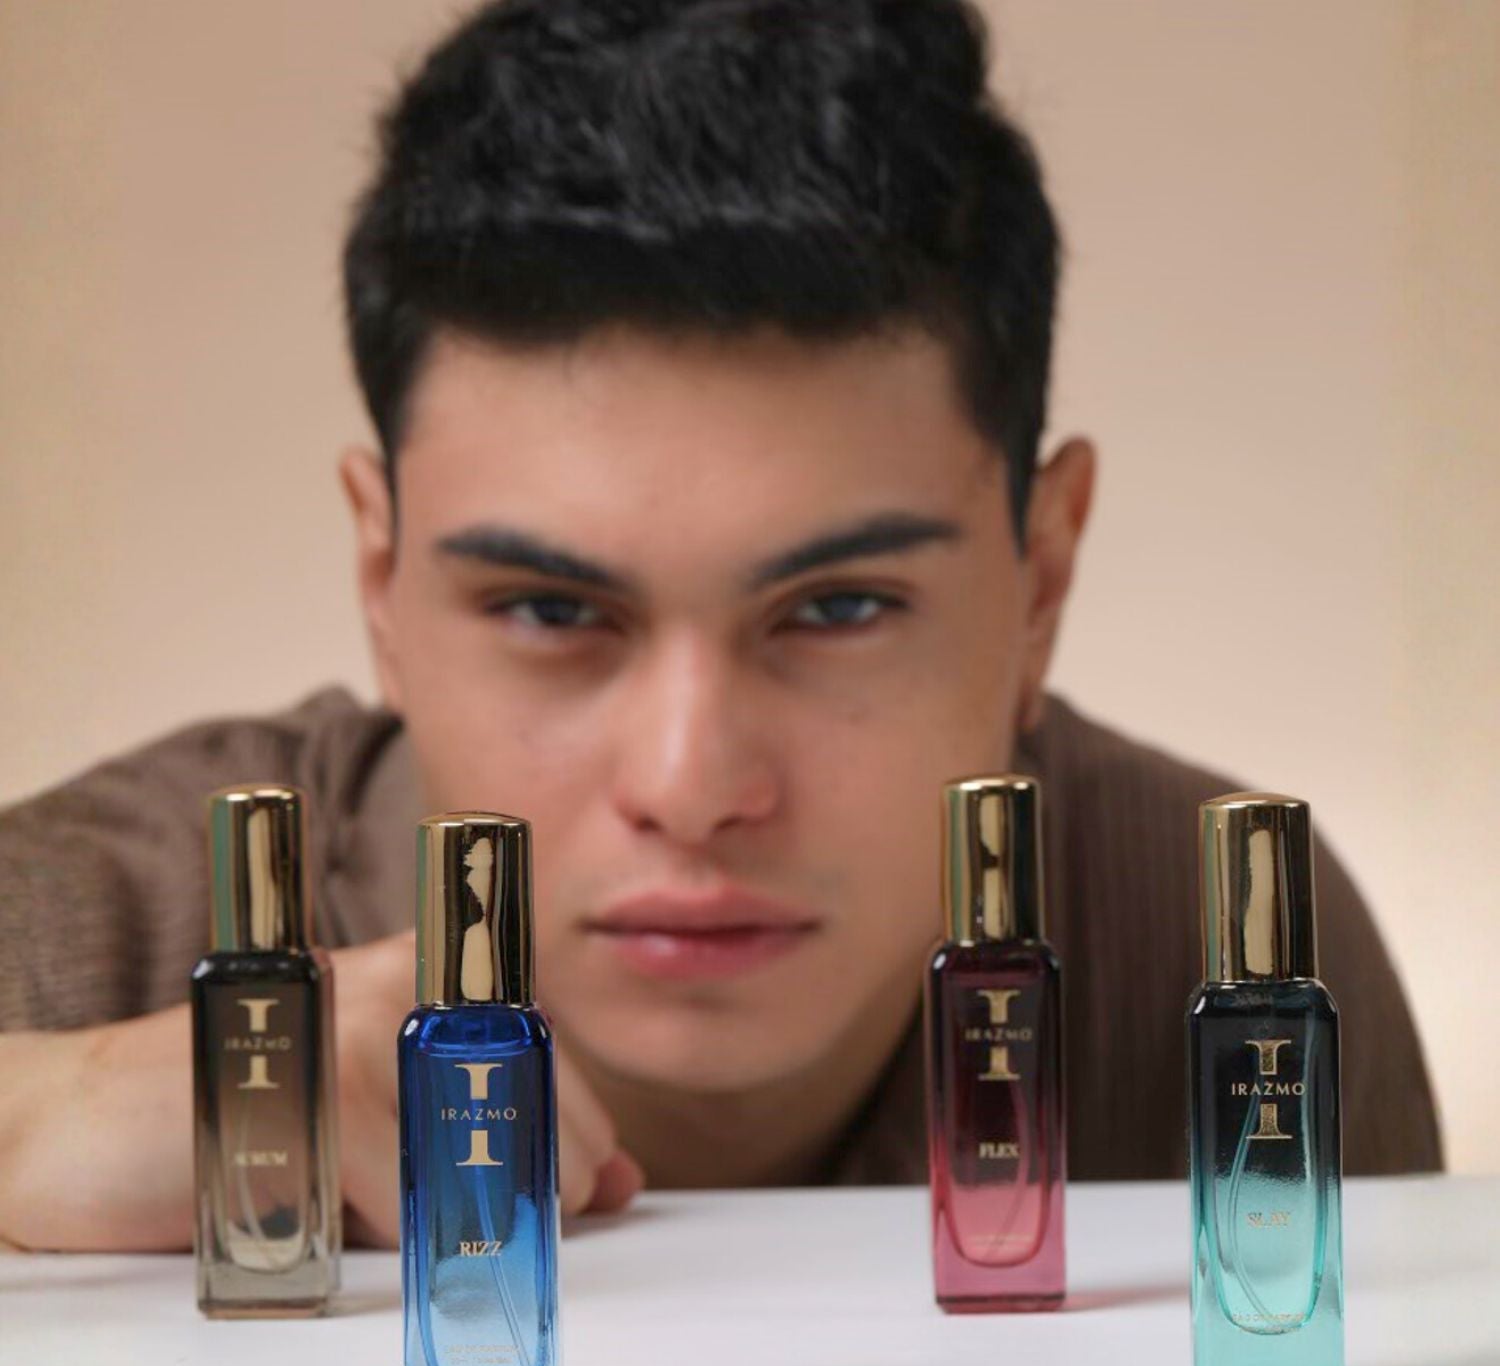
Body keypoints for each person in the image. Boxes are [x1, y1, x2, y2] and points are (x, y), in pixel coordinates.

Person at [0, 0, 1441, 1253]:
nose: (691, 788)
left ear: (1042, 585)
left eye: (841, 607)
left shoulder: (1236, 961)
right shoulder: (64, 957)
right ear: (382, 582)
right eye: (551, 610)